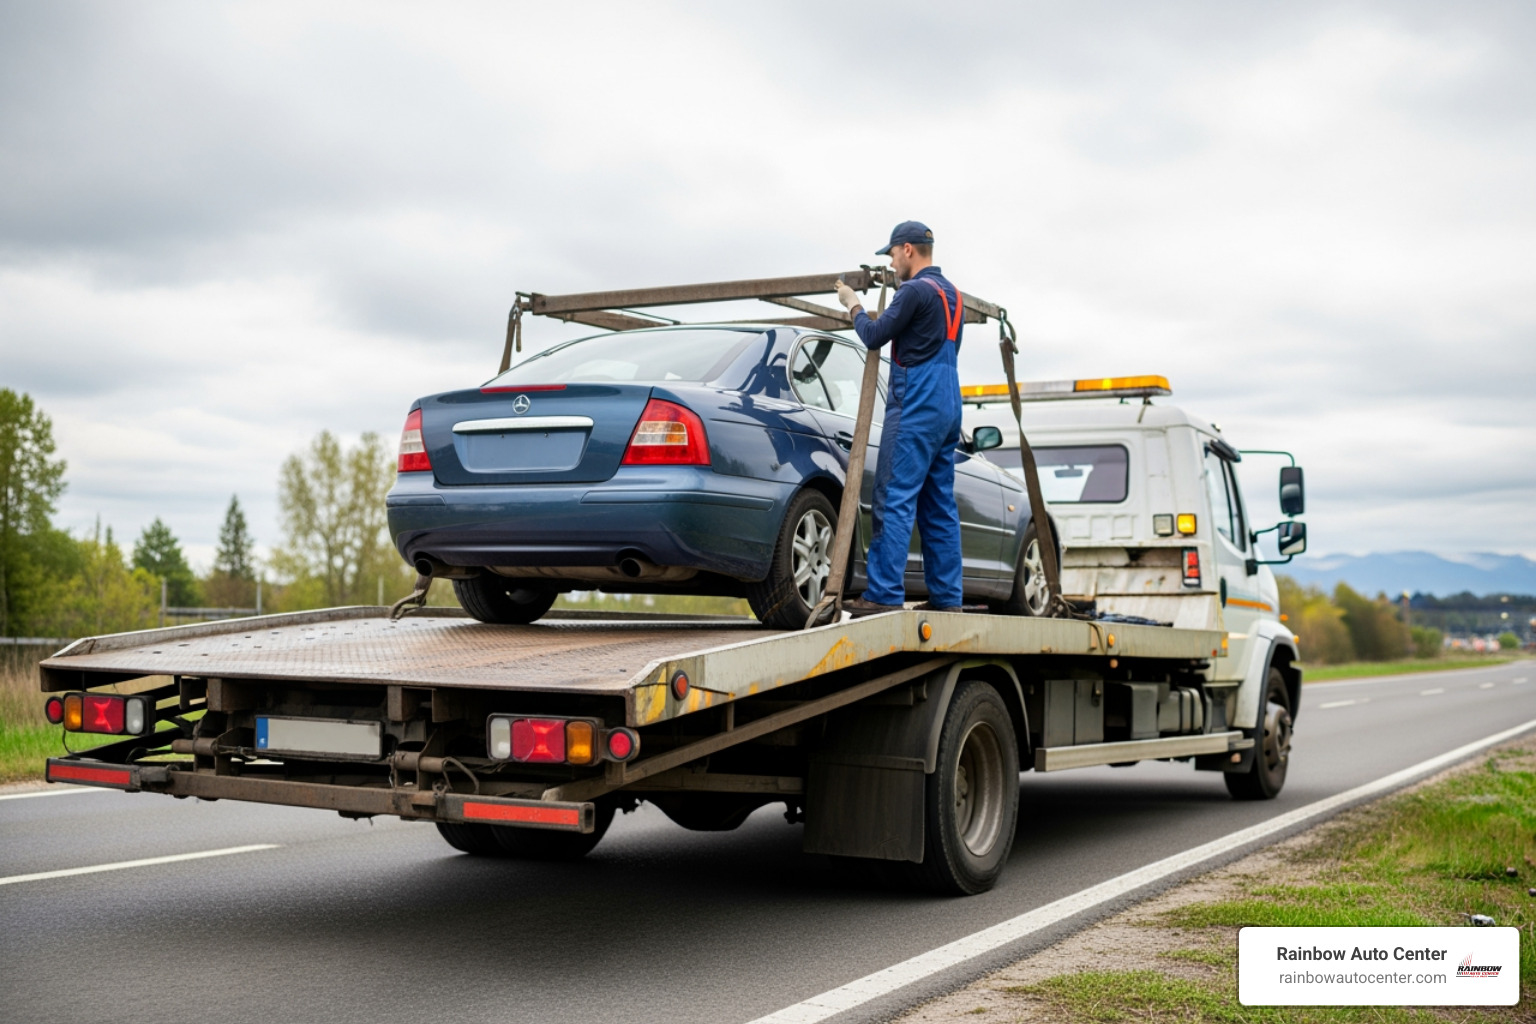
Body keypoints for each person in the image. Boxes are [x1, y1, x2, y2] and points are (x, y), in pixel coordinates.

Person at [833, 221, 965, 616]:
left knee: (893, 497)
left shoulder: (913, 291)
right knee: (939, 505)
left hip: (916, 404)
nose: (891, 264)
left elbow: (874, 335)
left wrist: (852, 303)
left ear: (907, 249)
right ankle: (947, 599)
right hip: (948, 404)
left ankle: (883, 595)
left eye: (891, 255)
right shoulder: (953, 295)